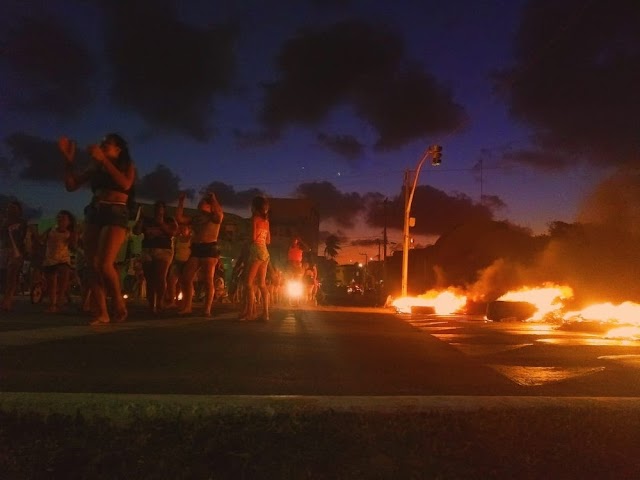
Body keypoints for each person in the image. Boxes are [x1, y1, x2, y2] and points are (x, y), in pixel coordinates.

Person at [59, 133, 136, 325]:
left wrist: (104, 161)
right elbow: (71, 185)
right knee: (91, 265)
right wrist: (68, 161)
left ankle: (118, 301)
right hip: (95, 212)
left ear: (118, 149)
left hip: (116, 212)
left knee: (104, 263)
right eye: (102, 143)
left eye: (107, 144)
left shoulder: (127, 166)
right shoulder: (96, 167)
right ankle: (102, 312)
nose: (102, 146)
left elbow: (125, 183)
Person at [174, 191, 223, 317]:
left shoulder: (213, 216)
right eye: (200, 202)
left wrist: (214, 199)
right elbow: (180, 219)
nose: (200, 204)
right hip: (196, 248)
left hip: (209, 248)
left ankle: (207, 309)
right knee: (186, 278)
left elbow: (219, 216)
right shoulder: (195, 218)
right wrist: (180, 202)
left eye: (203, 203)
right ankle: (187, 306)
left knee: (208, 279)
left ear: (209, 206)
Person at [133, 201, 178, 314]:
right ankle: (151, 302)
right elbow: (136, 232)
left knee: (160, 276)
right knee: (149, 278)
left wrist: (161, 224)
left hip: (163, 250)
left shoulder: (169, 220)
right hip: (148, 249)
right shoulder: (147, 220)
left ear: (164, 210)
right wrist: (140, 221)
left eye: (161, 208)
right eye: (156, 208)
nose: (158, 211)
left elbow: (172, 232)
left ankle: (159, 302)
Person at [239, 196, 271, 321]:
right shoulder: (267, 222)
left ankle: (250, 313)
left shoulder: (255, 219)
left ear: (254, 207)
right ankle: (266, 314)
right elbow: (268, 240)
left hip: (256, 252)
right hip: (265, 253)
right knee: (262, 284)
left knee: (248, 283)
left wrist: (246, 240)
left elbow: (252, 238)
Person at [41, 210, 78, 313]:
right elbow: (41, 240)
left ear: (68, 222)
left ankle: (59, 301)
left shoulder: (69, 233)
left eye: (63, 218)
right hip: (50, 259)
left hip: (63, 259)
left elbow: (73, 247)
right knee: (51, 283)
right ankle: (52, 304)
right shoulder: (50, 230)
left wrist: (74, 238)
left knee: (63, 281)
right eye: (59, 217)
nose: (60, 219)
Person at [0, 201, 28, 312]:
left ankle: (8, 300)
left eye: (13, 208)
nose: (10, 210)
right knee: (4, 276)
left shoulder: (22, 223)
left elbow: (23, 238)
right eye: (9, 208)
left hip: (16, 251)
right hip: (3, 250)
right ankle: (5, 299)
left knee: (11, 276)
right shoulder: (4, 221)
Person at [166, 223, 192, 307]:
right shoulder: (177, 239)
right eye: (181, 229)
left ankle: (184, 301)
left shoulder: (191, 239)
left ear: (188, 230)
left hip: (186, 262)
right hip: (177, 261)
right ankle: (172, 300)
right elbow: (174, 250)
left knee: (184, 283)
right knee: (171, 281)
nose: (183, 231)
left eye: (185, 229)